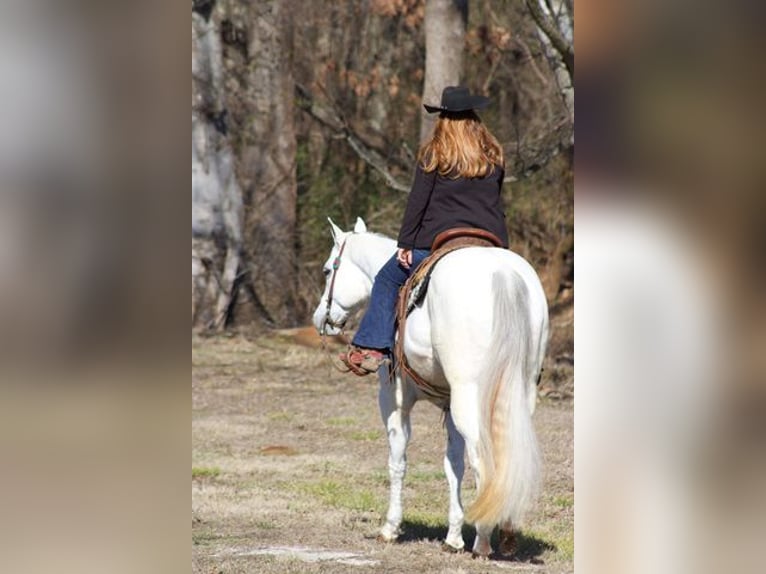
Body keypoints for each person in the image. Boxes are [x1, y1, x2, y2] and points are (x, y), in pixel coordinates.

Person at [341, 86, 509, 375]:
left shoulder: (435, 153)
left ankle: (371, 348)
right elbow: (495, 200)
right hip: (489, 241)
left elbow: (417, 202)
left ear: (444, 119)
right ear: (473, 117)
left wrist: (406, 243)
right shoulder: (493, 154)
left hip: (440, 241)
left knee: (387, 278)